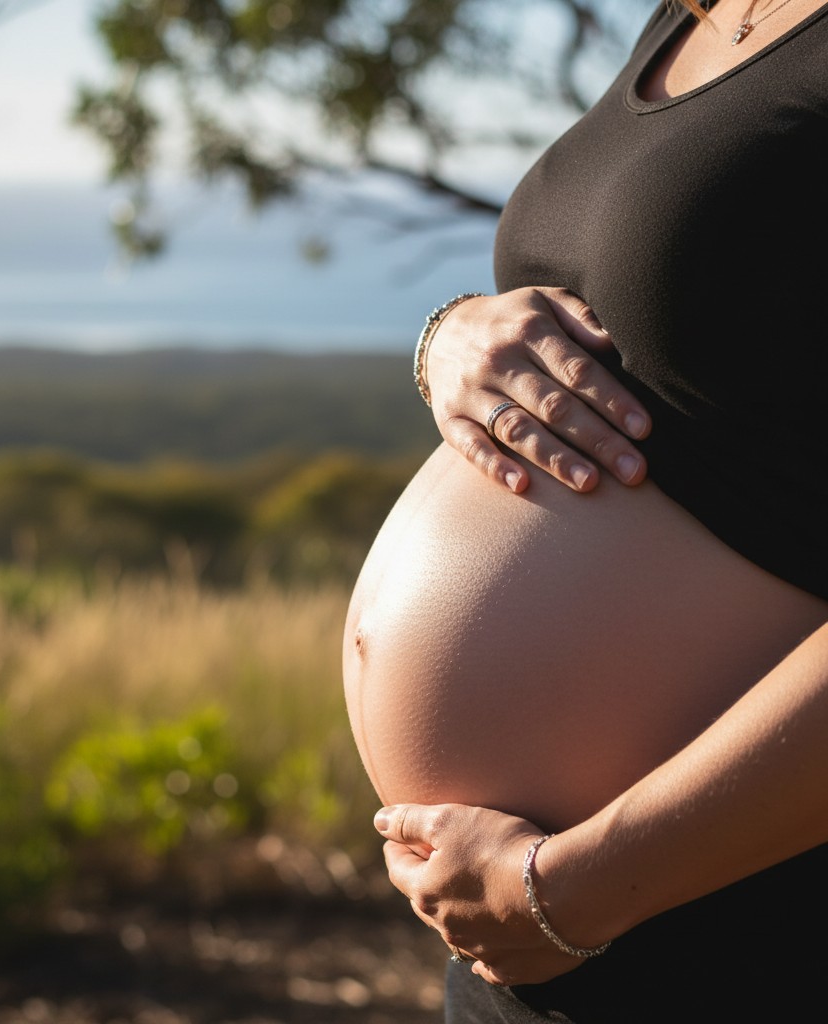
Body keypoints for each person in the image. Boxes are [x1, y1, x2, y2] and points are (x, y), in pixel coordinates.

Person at [341, 1, 828, 1020]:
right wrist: (449, 338)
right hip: (539, 939)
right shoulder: (699, 15)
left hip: (741, 918)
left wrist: (574, 888)